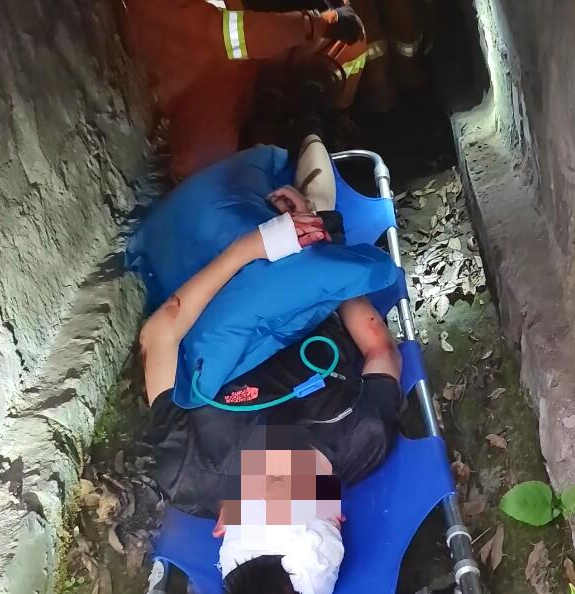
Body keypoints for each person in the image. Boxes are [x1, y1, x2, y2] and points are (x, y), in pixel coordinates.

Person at [138, 133, 402, 594]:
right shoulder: (189, 471)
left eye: (267, 489)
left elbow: (379, 346)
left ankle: (304, 197)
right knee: (272, 201)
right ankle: (309, 196)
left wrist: (268, 248)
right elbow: (160, 335)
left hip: (222, 275)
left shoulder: (364, 437)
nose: (279, 472)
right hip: (268, 277)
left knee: (207, 212)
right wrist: (309, 247)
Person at [121, 0, 367, 180]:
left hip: (251, 50)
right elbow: (231, 36)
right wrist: (316, 24)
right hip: (202, 87)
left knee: (351, 41)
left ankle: (325, 118)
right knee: (203, 172)